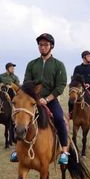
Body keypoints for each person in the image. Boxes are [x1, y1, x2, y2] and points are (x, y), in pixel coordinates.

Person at [10, 33, 69, 165]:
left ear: (51, 46)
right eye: (40, 45)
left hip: (51, 100)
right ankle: (16, 149)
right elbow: (27, 83)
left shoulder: (59, 65)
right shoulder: (32, 64)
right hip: (32, 100)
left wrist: (47, 99)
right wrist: (33, 97)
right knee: (16, 117)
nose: (42, 47)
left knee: (59, 118)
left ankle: (64, 151)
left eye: (45, 45)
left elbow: (60, 85)